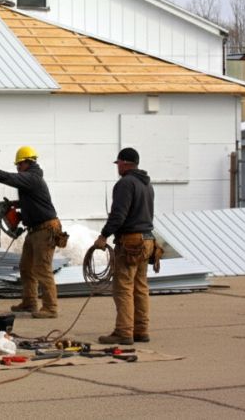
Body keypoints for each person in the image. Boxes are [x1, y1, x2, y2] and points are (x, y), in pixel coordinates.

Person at [0, 146, 62, 319]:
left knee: (42, 269)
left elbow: (6, 177)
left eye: (19, 165)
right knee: (26, 267)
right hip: (35, 230)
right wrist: (17, 205)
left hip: (46, 230)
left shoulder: (31, 178)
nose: (17, 168)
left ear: (27, 163)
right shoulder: (31, 179)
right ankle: (30, 302)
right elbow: (33, 200)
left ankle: (50, 308)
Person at [93, 147, 155, 345]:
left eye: (118, 163)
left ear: (125, 163)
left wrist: (103, 236)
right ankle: (141, 330)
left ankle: (124, 332)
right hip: (147, 240)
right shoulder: (147, 184)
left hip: (130, 242)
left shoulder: (125, 184)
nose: (117, 166)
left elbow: (118, 215)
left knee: (123, 288)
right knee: (140, 287)